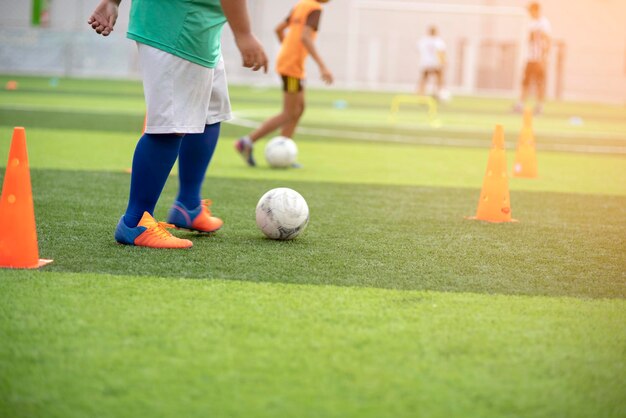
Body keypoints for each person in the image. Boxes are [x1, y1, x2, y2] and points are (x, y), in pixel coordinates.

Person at [87, 0, 268, 249]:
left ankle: (188, 206)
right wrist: (244, 34)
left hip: (201, 28)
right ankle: (135, 222)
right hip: (176, 26)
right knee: (170, 125)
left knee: (209, 114)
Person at [234, 0, 333, 167]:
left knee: (299, 109)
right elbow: (305, 37)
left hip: (290, 63)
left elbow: (278, 30)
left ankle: (284, 148)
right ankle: (246, 142)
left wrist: (289, 49)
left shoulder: (302, 5)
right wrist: (323, 67)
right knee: (289, 113)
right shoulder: (315, 8)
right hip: (292, 67)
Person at [514, 2, 552, 115]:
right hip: (530, 58)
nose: (529, 13)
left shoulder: (544, 23)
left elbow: (548, 40)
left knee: (539, 83)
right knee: (525, 82)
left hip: (539, 59)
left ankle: (540, 106)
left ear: (536, 10)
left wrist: (544, 57)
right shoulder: (531, 23)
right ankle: (520, 104)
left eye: (530, 10)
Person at [416, 26, 447, 99]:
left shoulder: (423, 40)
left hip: (425, 62)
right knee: (439, 78)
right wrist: (444, 62)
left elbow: (418, 49)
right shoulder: (438, 41)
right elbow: (441, 52)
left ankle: (421, 94)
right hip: (435, 62)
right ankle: (439, 93)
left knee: (424, 78)